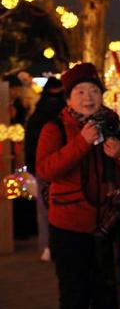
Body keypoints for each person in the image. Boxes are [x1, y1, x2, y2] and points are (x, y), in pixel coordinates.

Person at [36, 63, 120, 309]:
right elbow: (46, 170)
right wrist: (82, 143)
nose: (88, 97)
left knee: (108, 291)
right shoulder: (55, 128)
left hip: (111, 224)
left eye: (94, 90)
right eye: (81, 91)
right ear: (69, 98)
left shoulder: (117, 127)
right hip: (69, 227)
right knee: (73, 292)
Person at [24, 76, 66, 261]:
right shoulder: (64, 111)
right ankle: (61, 245)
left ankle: (47, 246)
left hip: (42, 167)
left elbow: (29, 144)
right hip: (65, 167)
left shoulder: (37, 114)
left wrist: (33, 167)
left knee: (44, 208)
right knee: (63, 206)